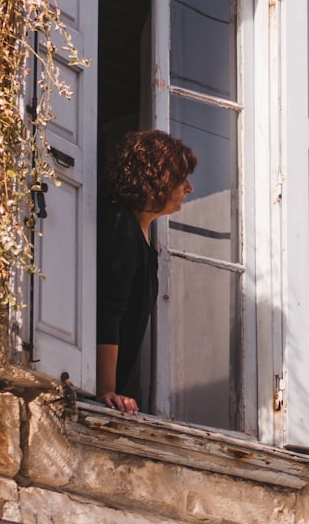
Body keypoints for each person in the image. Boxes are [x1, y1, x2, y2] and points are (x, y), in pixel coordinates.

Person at [95, 130, 196, 413]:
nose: (189, 188)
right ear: (158, 178)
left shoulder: (144, 236)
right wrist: (105, 390)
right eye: (181, 179)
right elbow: (108, 310)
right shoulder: (118, 224)